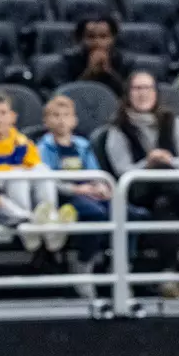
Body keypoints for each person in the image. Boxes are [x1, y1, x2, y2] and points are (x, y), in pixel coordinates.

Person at [103, 70, 179, 266]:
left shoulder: (173, 121)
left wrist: (168, 161)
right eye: (137, 88)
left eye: (147, 88)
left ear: (155, 92)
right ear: (128, 93)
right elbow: (122, 169)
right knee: (161, 169)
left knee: (164, 205)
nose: (142, 93)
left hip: (172, 189)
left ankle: (168, 273)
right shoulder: (118, 128)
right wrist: (149, 163)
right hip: (140, 188)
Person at [0, 88, 58, 254]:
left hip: (21, 186)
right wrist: (12, 169)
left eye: (3, 113)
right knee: (17, 174)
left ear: (12, 117)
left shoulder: (21, 141)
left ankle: (49, 221)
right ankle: (26, 226)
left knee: (42, 170)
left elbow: (34, 167)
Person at [36, 94, 118, 260]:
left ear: (74, 120)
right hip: (65, 196)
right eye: (56, 116)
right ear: (46, 121)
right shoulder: (42, 148)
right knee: (96, 213)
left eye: (66, 115)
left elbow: (95, 172)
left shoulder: (83, 145)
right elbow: (47, 180)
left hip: (89, 191)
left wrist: (101, 187)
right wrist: (77, 189)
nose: (61, 120)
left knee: (129, 213)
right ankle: (83, 262)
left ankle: (121, 262)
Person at [62, 14, 132, 95]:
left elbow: (129, 96)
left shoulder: (125, 62)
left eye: (103, 37)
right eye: (91, 37)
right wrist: (89, 73)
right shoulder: (68, 62)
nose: (97, 42)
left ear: (113, 38)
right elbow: (63, 95)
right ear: (80, 39)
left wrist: (109, 72)